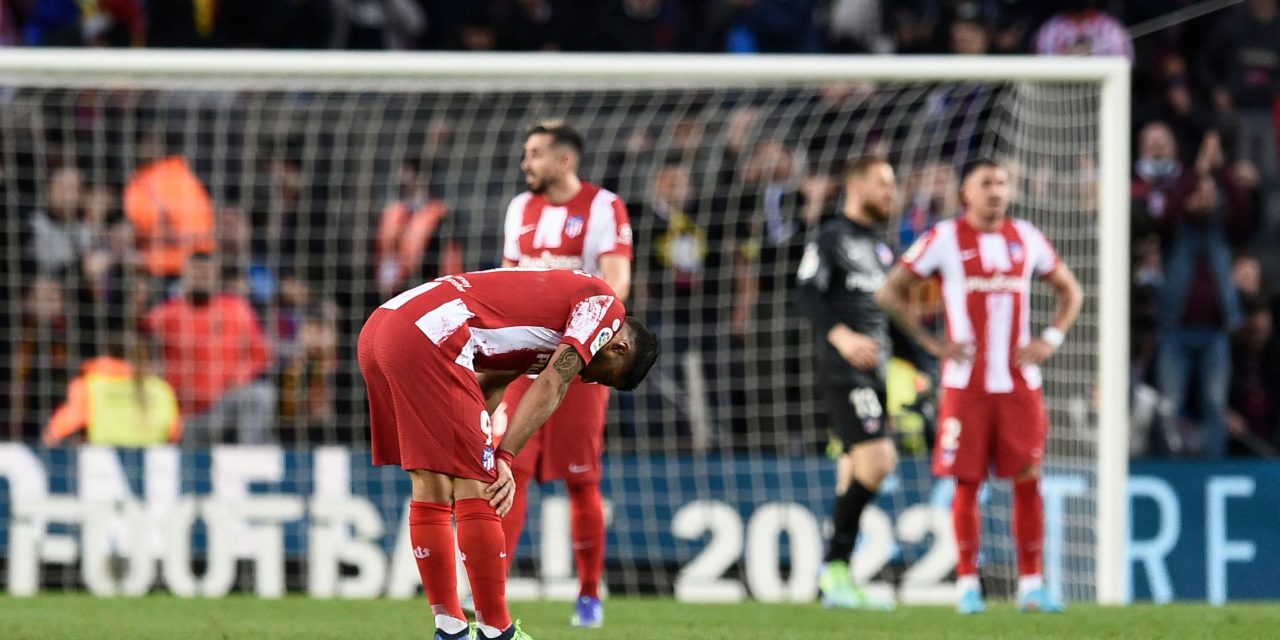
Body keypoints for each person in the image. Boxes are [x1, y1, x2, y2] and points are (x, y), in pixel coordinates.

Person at [358, 268, 658, 640]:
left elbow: (492, 383)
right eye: (606, 376)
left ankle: (450, 630)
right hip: (433, 336)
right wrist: (502, 457)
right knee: (480, 487)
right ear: (620, 347)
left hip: (386, 327)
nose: (590, 381)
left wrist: (468, 439)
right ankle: (497, 631)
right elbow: (554, 382)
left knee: (431, 485)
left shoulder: (542, 328)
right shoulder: (605, 307)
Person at [876, 159, 1083, 614]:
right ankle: (967, 584)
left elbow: (1071, 290)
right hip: (965, 386)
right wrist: (931, 343)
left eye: (1003, 183)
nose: (996, 190)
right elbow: (890, 291)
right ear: (965, 193)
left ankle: (1031, 585)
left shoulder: (1026, 237)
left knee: (1028, 478)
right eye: (986, 183)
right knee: (966, 483)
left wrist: (1050, 338)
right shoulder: (945, 238)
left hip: (1019, 386)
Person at [498, 120, 633, 628]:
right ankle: (494, 596)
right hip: (525, 361)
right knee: (509, 469)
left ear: (564, 159)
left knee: (582, 478)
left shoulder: (603, 207)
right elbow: (507, 282)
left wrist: (578, 335)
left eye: (534, 153)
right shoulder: (520, 208)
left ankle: (590, 594)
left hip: (581, 362)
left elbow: (617, 282)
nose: (526, 163)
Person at [795, 156, 899, 610]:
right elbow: (805, 289)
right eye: (883, 183)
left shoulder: (881, 247)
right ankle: (835, 566)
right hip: (844, 372)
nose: (891, 193)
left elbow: (889, 315)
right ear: (856, 186)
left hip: (878, 373)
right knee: (881, 459)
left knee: (853, 473)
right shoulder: (831, 238)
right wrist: (842, 337)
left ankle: (835, 582)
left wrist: (927, 361)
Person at [144, 252, 275, 445]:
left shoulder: (236, 309)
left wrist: (240, 375)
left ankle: (249, 459)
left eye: (207, 274)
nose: (201, 279)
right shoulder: (165, 315)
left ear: (216, 278)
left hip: (223, 407)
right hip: (182, 418)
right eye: (196, 273)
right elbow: (142, 353)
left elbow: (262, 353)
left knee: (260, 395)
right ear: (184, 276)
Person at [44, 329, 182, 447]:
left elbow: (60, 427)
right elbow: (175, 433)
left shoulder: (90, 385)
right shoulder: (161, 389)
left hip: (103, 462)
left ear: (106, 355)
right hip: (153, 462)